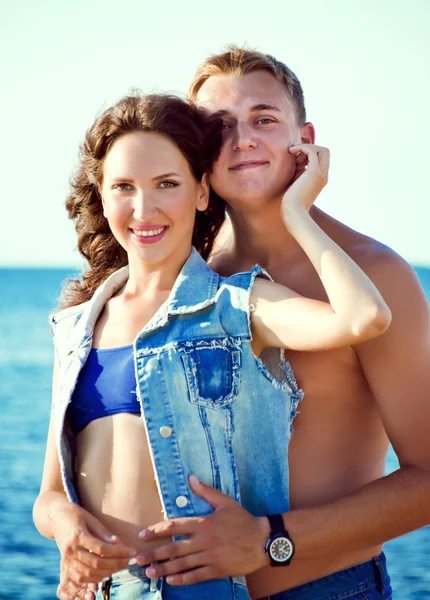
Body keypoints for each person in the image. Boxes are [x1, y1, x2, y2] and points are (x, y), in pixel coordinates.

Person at [32, 91, 392, 600]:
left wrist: (298, 210)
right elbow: (48, 494)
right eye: (124, 187)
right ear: (103, 194)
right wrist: (66, 525)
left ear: (202, 193)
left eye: (167, 184)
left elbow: (364, 316)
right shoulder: (74, 328)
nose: (143, 208)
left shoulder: (237, 305)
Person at [127, 47, 430, 600]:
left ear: (304, 136)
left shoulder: (375, 274)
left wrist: (271, 541)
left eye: (263, 119)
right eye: (220, 126)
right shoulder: (193, 274)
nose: (243, 139)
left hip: (331, 589)